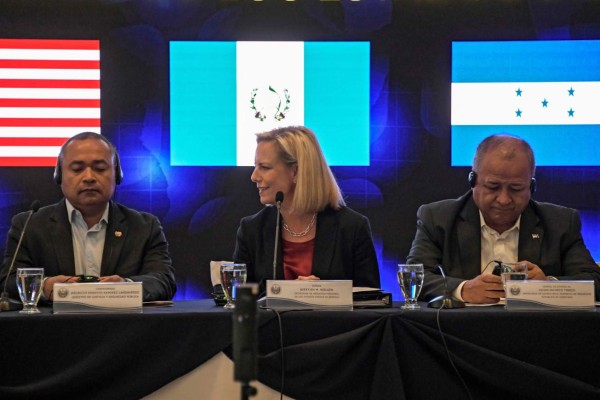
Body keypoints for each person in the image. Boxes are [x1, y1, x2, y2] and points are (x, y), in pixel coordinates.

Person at [407, 134, 600, 304]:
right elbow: (414, 277)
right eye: (493, 187)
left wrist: (547, 285)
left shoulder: (561, 222)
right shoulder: (438, 218)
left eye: (516, 189)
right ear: (472, 181)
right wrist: (463, 289)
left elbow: (594, 283)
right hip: (459, 334)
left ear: (531, 187)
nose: (504, 199)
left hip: (538, 333)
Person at [0, 132, 176, 302]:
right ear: (59, 175)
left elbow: (163, 280)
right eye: (77, 169)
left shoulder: (144, 226)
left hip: (124, 329)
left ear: (117, 175)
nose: (89, 177)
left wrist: (125, 287)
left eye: (100, 169)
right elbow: (8, 281)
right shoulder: (29, 225)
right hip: (53, 330)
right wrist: (44, 286)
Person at [233, 126, 380, 292]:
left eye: (264, 167)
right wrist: (289, 292)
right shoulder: (251, 229)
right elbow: (241, 300)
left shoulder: (352, 228)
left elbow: (371, 300)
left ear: (295, 172)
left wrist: (322, 292)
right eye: (255, 166)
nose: (254, 177)